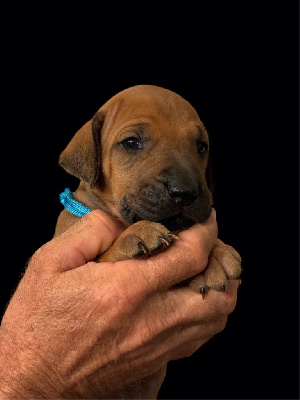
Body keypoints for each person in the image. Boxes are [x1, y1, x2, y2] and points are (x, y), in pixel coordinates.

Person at [0, 209, 240, 399]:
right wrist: (35, 382)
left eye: (200, 148)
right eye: (132, 144)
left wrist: (200, 261)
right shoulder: (74, 225)